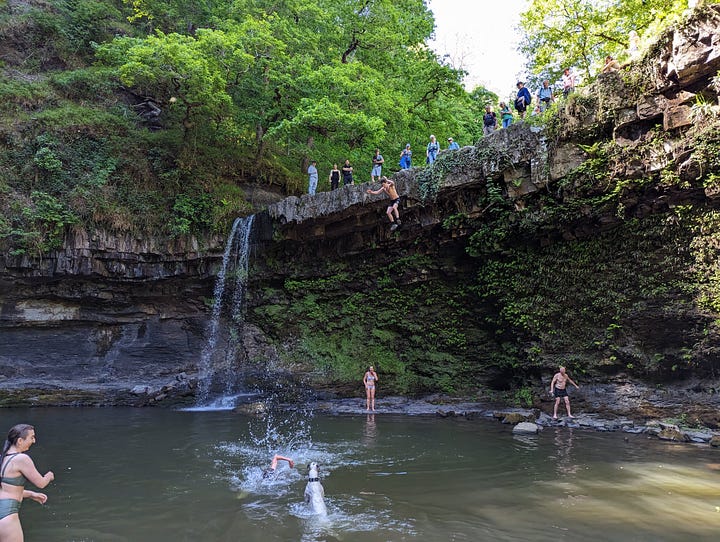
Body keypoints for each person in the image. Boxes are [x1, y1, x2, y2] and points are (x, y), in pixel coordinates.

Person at [0, 424, 54, 541]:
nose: (34, 441)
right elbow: (41, 483)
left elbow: (6, 490)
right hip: (7, 515)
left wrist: (31, 494)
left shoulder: (2, 458)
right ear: (20, 441)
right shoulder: (21, 459)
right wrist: (49, 476)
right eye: (32, 437)